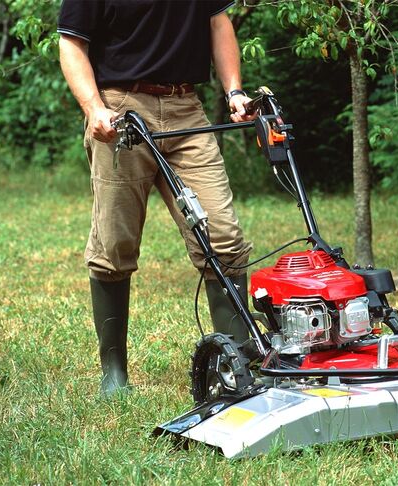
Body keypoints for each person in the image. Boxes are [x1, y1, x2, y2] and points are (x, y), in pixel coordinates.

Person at [57, 0, 256, 396]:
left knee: (223, 239)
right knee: (115, 243)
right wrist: (95, 107)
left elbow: (218, 23)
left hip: (187, 110)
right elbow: (71, 43)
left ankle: (239, 368)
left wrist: (234, 89)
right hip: (120, 111)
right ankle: (114, 374)